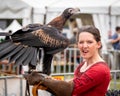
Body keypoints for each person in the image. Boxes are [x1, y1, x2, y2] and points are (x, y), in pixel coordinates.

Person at [24, 26, 111, 96]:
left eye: (89, 42)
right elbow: (67, 91)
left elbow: (70, 90)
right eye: (81, 42)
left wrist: (43, 79)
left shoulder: (100, 69)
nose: (84, 46)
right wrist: (44, 84)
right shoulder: (82, 65)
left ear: (98, 44)